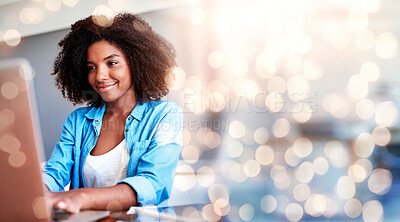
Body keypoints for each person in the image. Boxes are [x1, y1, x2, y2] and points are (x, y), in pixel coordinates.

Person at [43, 13, 183, 213]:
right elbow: (54, 173)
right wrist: (39, 190)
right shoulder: (78, 121)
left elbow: (153, 183)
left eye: (112, 63)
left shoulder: (164, 115)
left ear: (135, 63)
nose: (99, 76)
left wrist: (81, 197)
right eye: (91, 67)